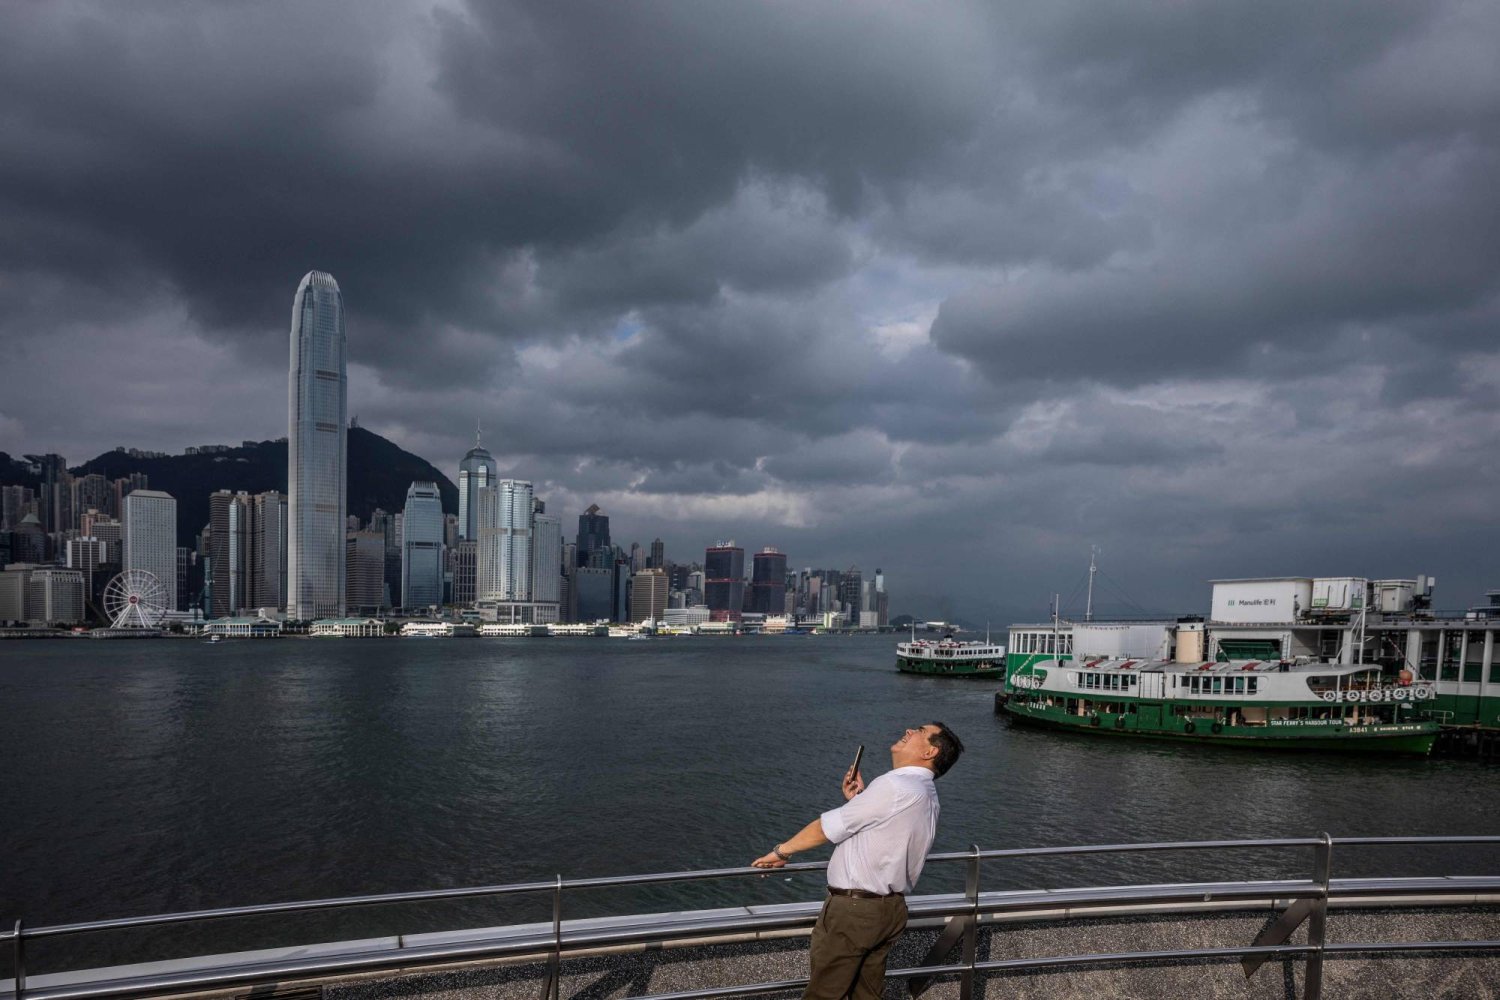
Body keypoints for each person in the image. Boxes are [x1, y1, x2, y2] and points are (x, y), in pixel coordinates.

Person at [751, 722, 964, 1000]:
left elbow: (826, 828)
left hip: (855, 911)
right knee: (867, 993)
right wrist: (859, 800)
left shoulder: (894, 784)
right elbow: (886, 832)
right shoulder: (926, 794)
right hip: (890, 909)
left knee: (824, 993)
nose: (909, 730)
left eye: (920, 731)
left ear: (930, 752)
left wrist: (781, 852)